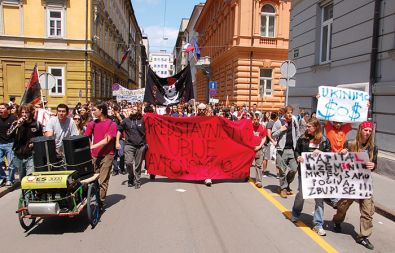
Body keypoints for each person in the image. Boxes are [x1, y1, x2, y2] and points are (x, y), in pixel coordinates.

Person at [332, 121, 378, 250]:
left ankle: (363, 236)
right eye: (365, 130)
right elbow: (342, 164)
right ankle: (337, 221)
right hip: (351, 183)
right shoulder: (350, 144)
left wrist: (373, 165)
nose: (367, 133)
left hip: (365, 183)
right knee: (342, 206)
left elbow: (374, 164)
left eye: (369, 131)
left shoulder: (373, 148)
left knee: (367, 211)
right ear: (360, 130)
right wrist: (342, 154)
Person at [290, 118, 331, 236]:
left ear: (316, 127)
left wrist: (322, 153)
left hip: (319, 174)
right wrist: (298, 157)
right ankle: (296, 213)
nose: (307, 128)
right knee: (302, 194)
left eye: (309, 126)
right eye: (307, 126)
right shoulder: (302, 139)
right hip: (305, 173)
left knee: (319, 198)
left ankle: (318, 224)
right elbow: (297, 151)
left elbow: (330, 155)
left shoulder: (324, 140)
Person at [85, 101, 117, 207]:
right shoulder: (92, 124)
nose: (92, 112)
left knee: (103, 180)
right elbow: (86, 138)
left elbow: (107, 140)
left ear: (101, 110)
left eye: (94, 110)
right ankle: (92, 198)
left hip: (108, 155)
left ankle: (101, 202)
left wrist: (93, 146)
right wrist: (89, 148)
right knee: (93, 179)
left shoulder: (112, 124)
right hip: (94, 155)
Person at [8, 104, 43, 180]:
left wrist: (34, 143)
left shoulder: (36, 124)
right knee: (23, 178)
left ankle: (30, 191)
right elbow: (8, 135)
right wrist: (17, 126)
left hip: (31, 154)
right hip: (19, 154)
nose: (24, 114)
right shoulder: (16, 123)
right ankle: (25, 191)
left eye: (26, 112)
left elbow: (41, 139)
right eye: (22, 112)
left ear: (31, 113)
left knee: (29, 177)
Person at [272, 105, 300, 198]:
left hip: (292, 149)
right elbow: (273, 135)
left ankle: (286, 185)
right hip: (282, 150)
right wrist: (281, 129)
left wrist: (297, 145)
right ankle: (283, 188)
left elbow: (297, 133)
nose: (290, 114)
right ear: (284, 113)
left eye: (291, 113)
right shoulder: (279, 122)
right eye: (288, 113)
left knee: (294, 169)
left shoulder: (294, 121)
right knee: (282, 171)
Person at [117, 105, 146, 188]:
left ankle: (137, 181)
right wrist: (117, 142)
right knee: (128, 162)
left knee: (138, 164)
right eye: (131, 109)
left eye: (134, 109)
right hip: (129, 145)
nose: (132, 110)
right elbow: (119, 130)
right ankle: (131, 176)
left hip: (140, 145)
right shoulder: (126, 121)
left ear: (138, 111)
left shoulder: (143, 120)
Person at [0, 103, 16, 186]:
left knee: (11, 164)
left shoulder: (13, 118)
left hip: (10, 144)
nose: (0, 110)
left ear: (7, 110)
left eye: (2, 108)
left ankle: (10, 179)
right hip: (0, 144)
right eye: (0, 108)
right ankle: (3, 177)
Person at [197, 103, 213, 186]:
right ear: (198, 110)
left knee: (207, 160)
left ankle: (207, 177)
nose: (202, 111)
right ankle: (200, 175)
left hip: (207, 144)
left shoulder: (210, 119)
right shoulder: (193, 118)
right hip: (196, 144)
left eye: (203, 109)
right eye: (200, 109)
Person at [251, 113, 267, 188]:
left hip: (258, 149)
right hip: (249, 148)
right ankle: (245, 175)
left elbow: (264, 138)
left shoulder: (263, 127)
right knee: (247, 163)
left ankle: (258, 181)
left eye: (257, 119)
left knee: (258, 165)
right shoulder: (249, 126)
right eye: (254, 119)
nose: (256, 121)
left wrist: (259, 146)